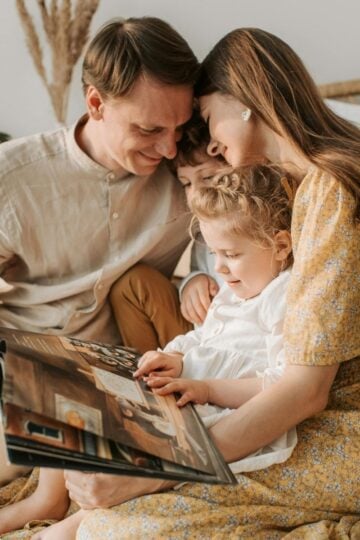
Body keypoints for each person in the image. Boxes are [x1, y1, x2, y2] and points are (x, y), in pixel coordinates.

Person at [69, 28, 359, 539]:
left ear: (244, 101)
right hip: (304, 411)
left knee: (114, 528)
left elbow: (304, 391)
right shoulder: (301, 188)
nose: (208, 144)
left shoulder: (328, 191)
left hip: (339, 429)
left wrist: (155, 471)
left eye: (204, 119)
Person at [0, 15, 199, 534]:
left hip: (127, 376)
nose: (169, 149)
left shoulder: (192, 171)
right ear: (95, 103)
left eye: (179, 129)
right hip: (22, 371)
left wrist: (198, 279)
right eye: (149, 130)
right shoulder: (12, 180)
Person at [135, 164, 297, 474]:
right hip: (195, 391)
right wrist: (175, 355)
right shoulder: (234, 287)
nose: (219, 268)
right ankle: (49, 497)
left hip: (231, 415)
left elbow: (281, 384)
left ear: (280, 246)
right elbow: (204, 336)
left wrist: (207, 389)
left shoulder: (282, 296)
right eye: (214, 254)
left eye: (232, 255)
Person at [109, 111, 225, 353]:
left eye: (209, 177)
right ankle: (143, 376)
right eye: (187, 183)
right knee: (132, 284)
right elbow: (199, 271)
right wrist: (193, 282)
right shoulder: (204, 231)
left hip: (233, 349)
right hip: (198, 335)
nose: (197, 193)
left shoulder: (263, 228)